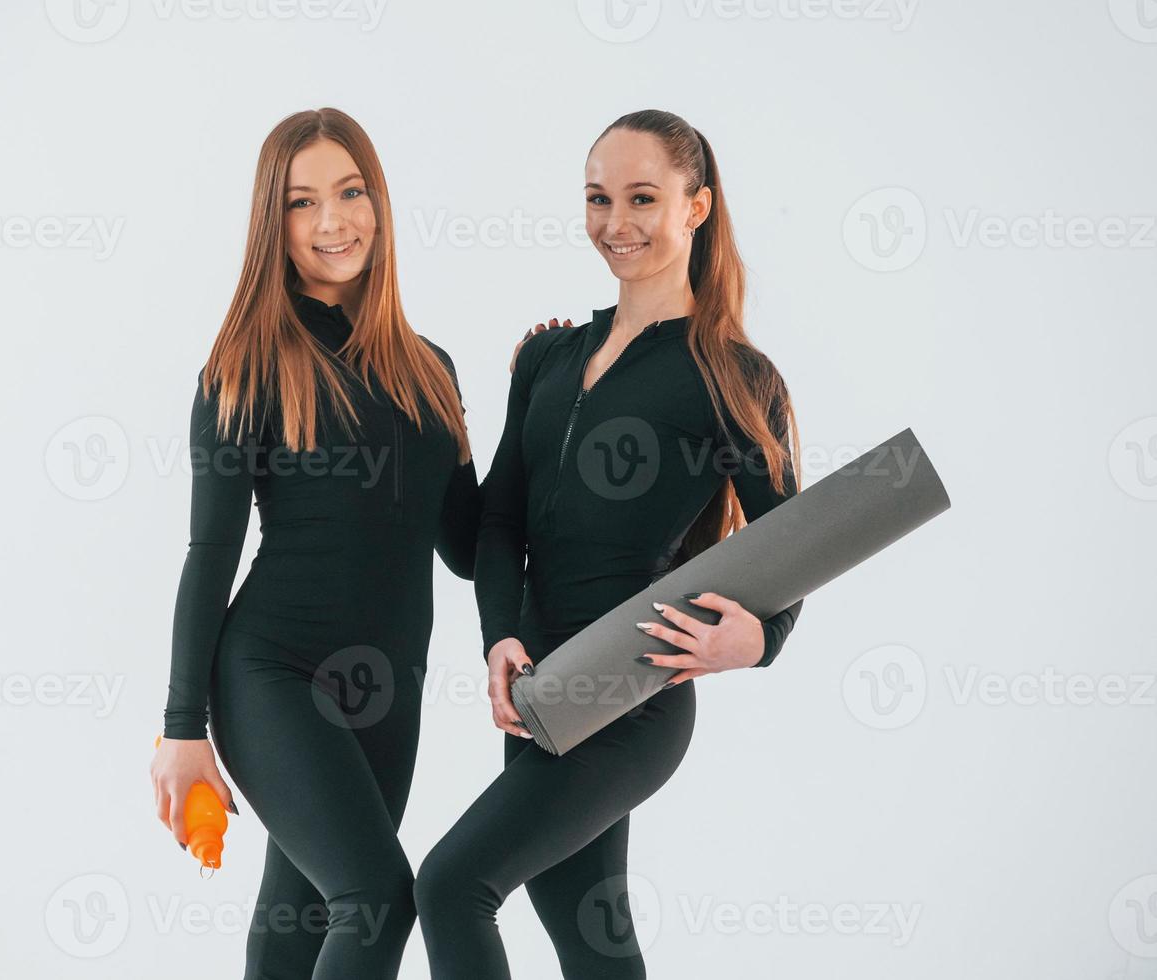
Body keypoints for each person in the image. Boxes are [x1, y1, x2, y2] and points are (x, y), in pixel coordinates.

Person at [414, 109, 806, 979]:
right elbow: (497, 524)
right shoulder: (550, 358)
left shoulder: (735, 375)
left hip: (635, 698)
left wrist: (761, 641)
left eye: (641, 199)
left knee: (450, 885)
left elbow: (793, 545)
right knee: (592, 937)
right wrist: (499, 639)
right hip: (541, 692)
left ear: (695, 208)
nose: (615, 224)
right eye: (598, 199)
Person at [148, 107, 479, 980]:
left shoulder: (430, 370)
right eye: (302, 204)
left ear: (378, 201)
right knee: (376, 901)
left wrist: (549, 392)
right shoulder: (246, 366)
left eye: (350, 191)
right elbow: (208, 554)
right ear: (274, 225)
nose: (333, 221)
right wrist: (183, 729)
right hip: (272, 676)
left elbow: (472, 545)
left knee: (298, 923)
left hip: (386, 688)